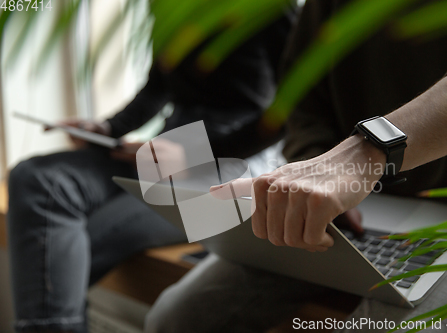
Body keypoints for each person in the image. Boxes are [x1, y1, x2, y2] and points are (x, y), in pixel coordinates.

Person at [144, 1, 447, 332]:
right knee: (173, 318)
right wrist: (316, 177)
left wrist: (365, 155)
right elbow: (302, 104)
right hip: (359, 214)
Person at [6, 10, 295, 333]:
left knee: (60, 248)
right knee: (36, 176)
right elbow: (156, 89)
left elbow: (288, 112)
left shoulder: (274, 12)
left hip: (232, 167)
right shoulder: (172, 9)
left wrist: (197, 151)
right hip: (166, 150)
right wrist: (105, 129)